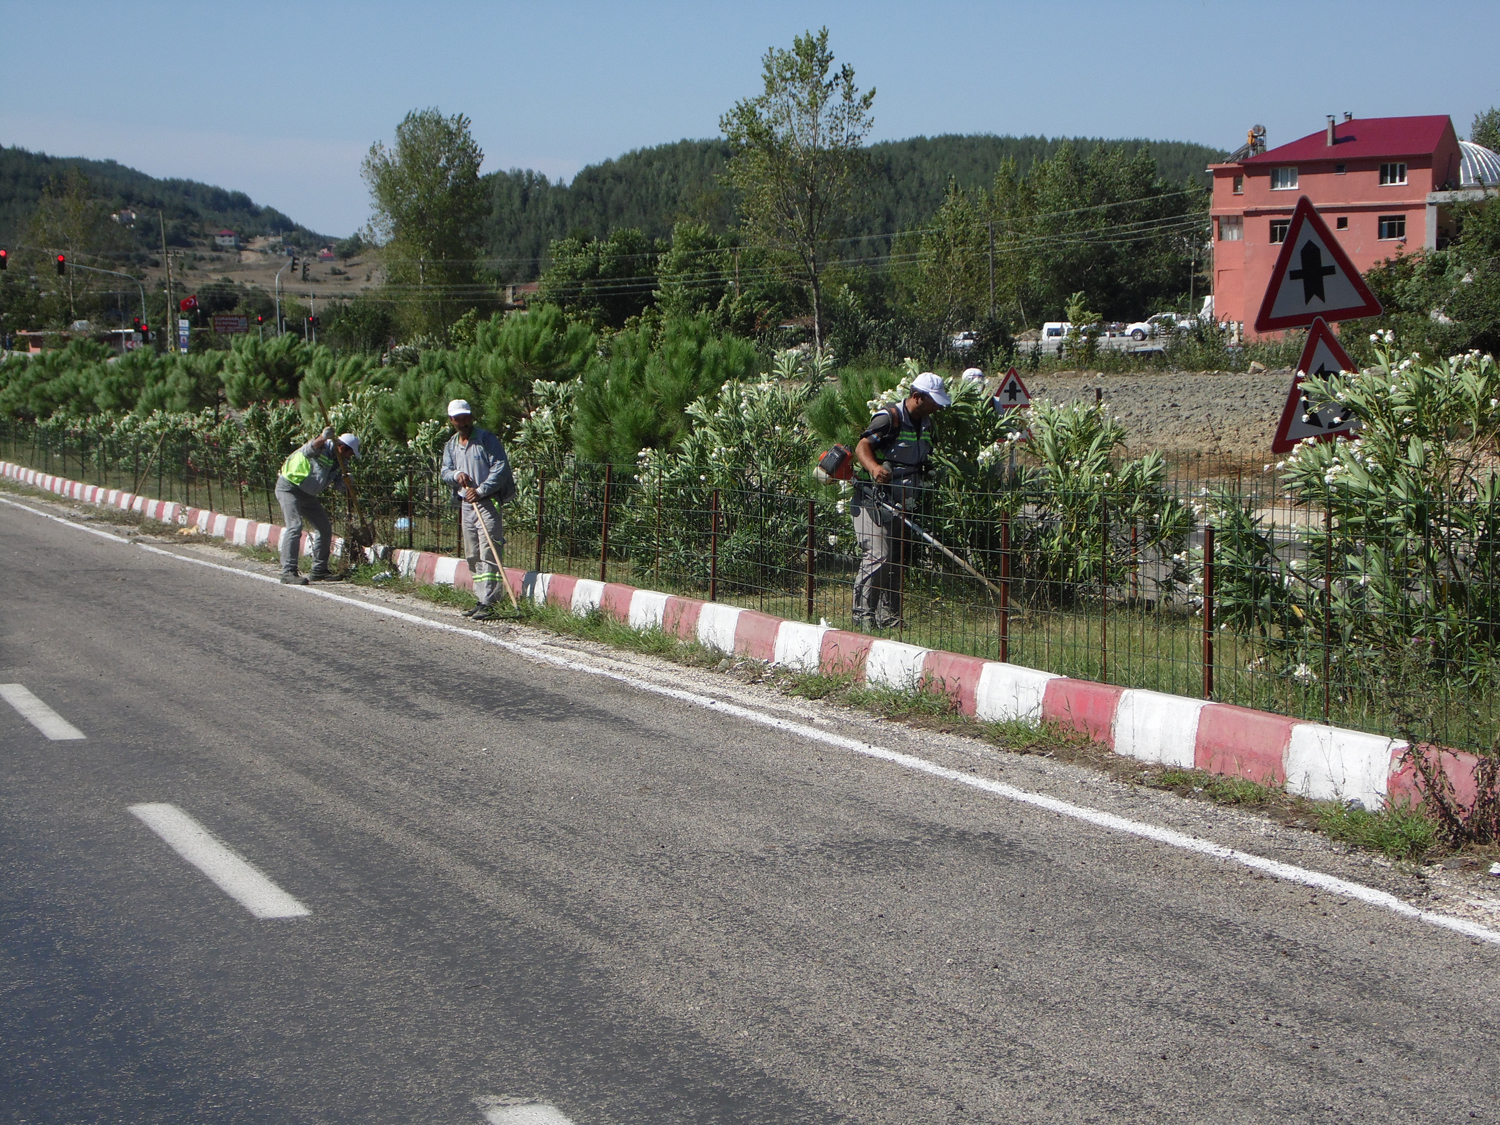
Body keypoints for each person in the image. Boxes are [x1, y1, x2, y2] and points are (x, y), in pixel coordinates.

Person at [850, 372, 951, 630]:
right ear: (917, 397)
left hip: (904, 501)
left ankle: (890, 619)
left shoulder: (927, 423)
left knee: (895, 559)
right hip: (873, 500)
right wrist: (874, 468)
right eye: (933, 401)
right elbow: (862, 446)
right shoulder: (889, 418)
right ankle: (862, 618)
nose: (938, 407)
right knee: (878, 555)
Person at [439, 399, 515, 620]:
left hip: (487, 502)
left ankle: (491, 601)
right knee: (473, 554)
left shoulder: (486, 439)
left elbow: (500, 468)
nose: (461, 422)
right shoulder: (452, 444)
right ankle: (481, 598)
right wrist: (456, 476)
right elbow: (445, 470)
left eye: (465, 417)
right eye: (457, 418)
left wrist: (480, 490)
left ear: (471, 417)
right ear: (451, 420)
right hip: (466, 504)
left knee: (489, 550)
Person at [276, 428, 360, 585]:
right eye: (350, 453)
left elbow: (338, 487)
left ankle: (319, 570)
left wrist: (346, 482)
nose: (351, 456)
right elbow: (308, 449)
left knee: (324, 527)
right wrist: (323, 437)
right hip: (289, 488)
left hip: (308, 495)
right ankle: (288, 572)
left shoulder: (340, 462)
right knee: (295, 526)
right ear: (342, 448)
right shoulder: (321, 447)